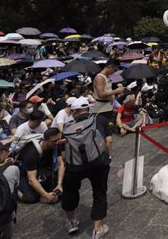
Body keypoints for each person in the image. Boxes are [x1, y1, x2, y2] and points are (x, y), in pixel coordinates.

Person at [61, 97, 111, 238]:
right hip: (98, 163)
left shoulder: (67, 127)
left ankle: (71, 222)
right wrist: (108, 157)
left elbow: (63, 153)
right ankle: (97, 229)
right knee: (99, 192)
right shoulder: (99, 119)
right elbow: (109, 140)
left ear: (74, 111)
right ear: (88, 109)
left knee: (70, 191)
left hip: (74, 166)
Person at [93, 59, 125, 155]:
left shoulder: (107, 77)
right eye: (114, 69)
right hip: (101, 110)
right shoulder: (100, 78)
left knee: (108, 134)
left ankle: (107, 154)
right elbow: (101, 94)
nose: (114, 72)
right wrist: (116, 91)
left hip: (108, 108)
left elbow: (107, 91)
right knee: (104, 135)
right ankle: (103, 155)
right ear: (110, 66)